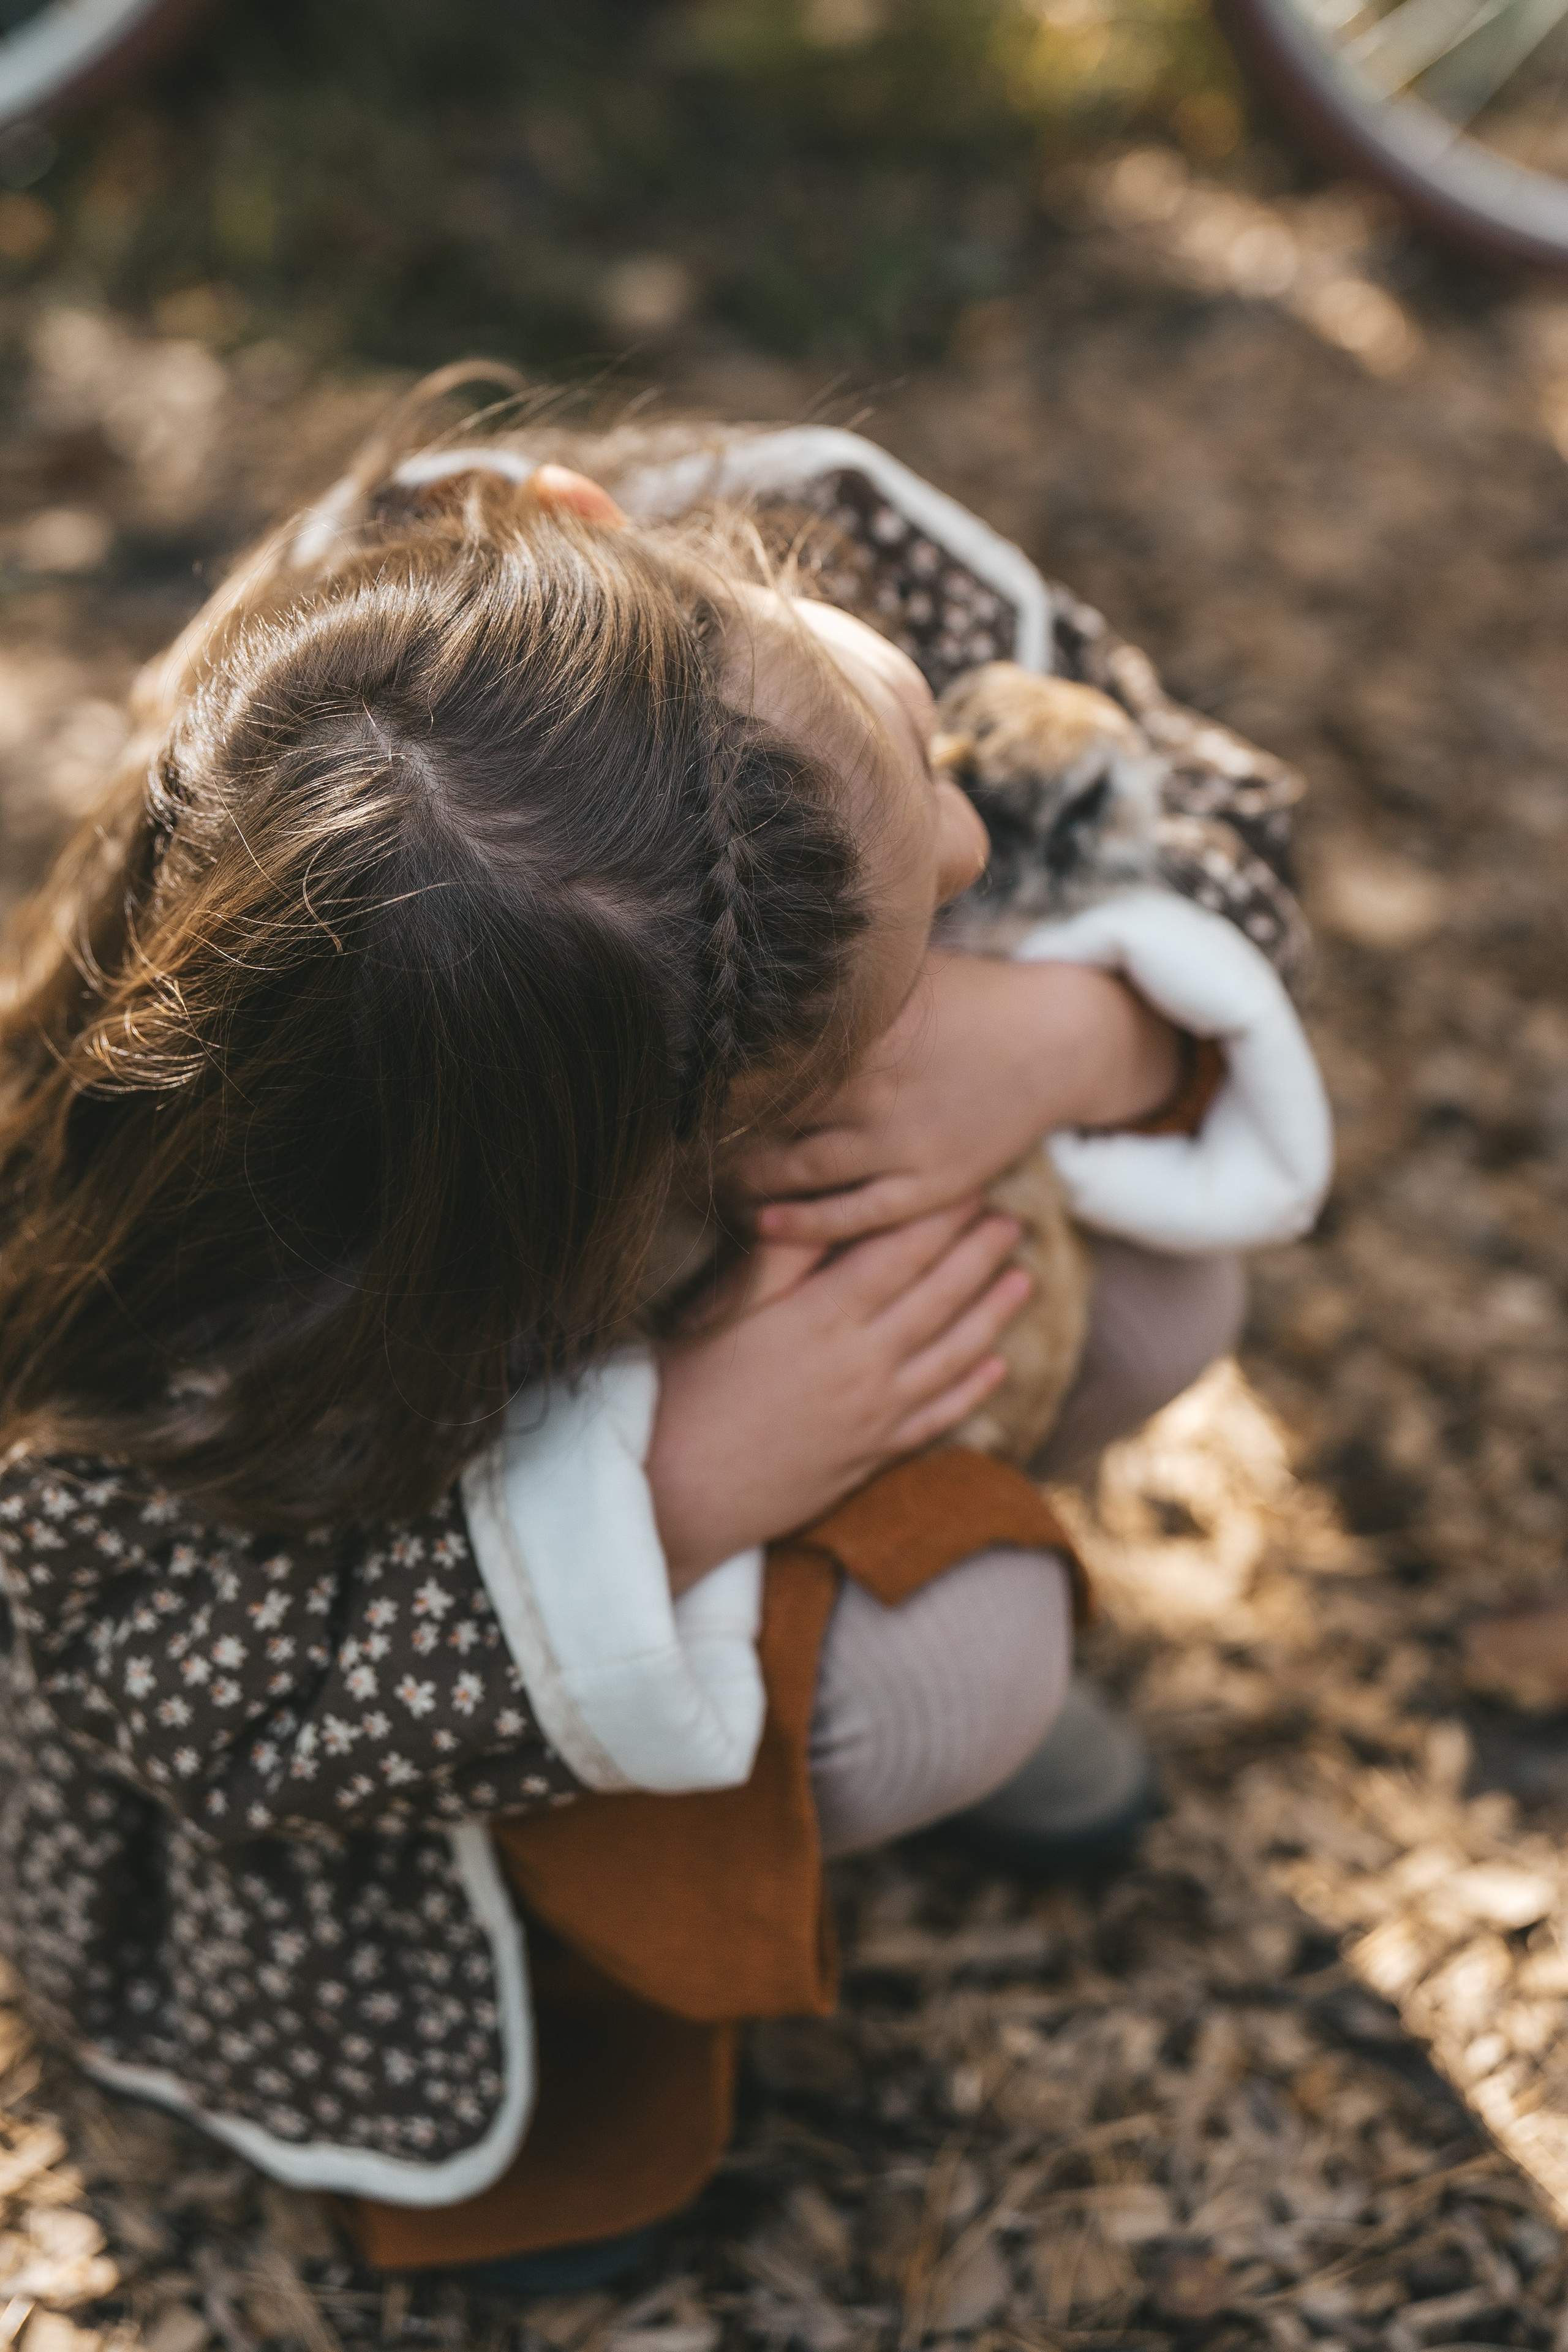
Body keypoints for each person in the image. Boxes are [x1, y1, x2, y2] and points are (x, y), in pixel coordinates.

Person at [0, 370, 1330, 2282]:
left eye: (899, 727)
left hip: (744, 1279)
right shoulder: (283, 1212)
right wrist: (669, 1498)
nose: (967, 854)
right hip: (447, 1673)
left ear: (594, 526)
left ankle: (886, 1551)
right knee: (960, 1664)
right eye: (859, 1029)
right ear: (619, 1172)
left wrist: (1075, 1035)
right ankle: (630, 1882)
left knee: (1158, 1280)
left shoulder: (777, 551)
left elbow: (1197, 789)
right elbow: (191, 1676)